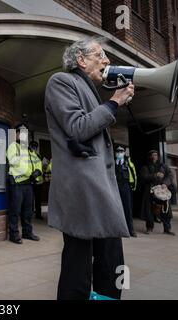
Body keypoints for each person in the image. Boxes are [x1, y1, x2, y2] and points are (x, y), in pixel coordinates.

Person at [44, 37, 134, 300]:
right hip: (83, 192)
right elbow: (78, 127)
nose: (106, 61)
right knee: (78, 266)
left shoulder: (92, 91)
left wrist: (116, 101)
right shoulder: (61, 81)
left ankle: (114, 296)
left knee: (114, 260)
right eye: (100, 55)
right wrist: (114, 102)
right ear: (81, 60)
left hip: (101, 189)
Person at [6, 124, 41, 244]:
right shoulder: (13, 146)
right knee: (15, 210)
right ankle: (13, 234)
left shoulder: (29, 149)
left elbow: (37, 162)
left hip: (28, 183)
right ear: (16, 134)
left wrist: (37, 171)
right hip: (17, 182)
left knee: (28, 210)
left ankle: (27, 232)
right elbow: (13, 161)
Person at [140, 150, 176, 235]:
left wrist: (165, 183)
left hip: (162, 191)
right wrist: (155, 175)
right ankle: (149, 228)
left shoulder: (163, 166)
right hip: (150, 191)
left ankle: (167, 229)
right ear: (149, 156)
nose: (155, 156)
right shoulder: (145, 167)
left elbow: (170, 175)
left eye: (156, 155)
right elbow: (144, 177)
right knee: (149, 210)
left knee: (166, 210)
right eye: (153, 155)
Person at [114, 145, 137, 237]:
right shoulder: (112, 162)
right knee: (115, 209)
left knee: (127, 209)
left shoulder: (128, 163)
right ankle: (117, 230)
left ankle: (131, 230)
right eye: (117, 151)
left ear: (124, 152)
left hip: (125, 186)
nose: (119, 153)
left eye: (121, 151)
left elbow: (134, 175)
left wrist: (133, 187)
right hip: (115, 187)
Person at [29, 141, 44, 220]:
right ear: (30, 146)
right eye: (33, 146)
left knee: (38, 200)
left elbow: (40, 166)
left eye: (36, 147)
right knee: (30, 200)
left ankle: (38, 214)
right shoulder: (27, 154)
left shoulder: (38, 155)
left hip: (39, 181)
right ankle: (30, 214)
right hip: (31, 180)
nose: (34, 148)